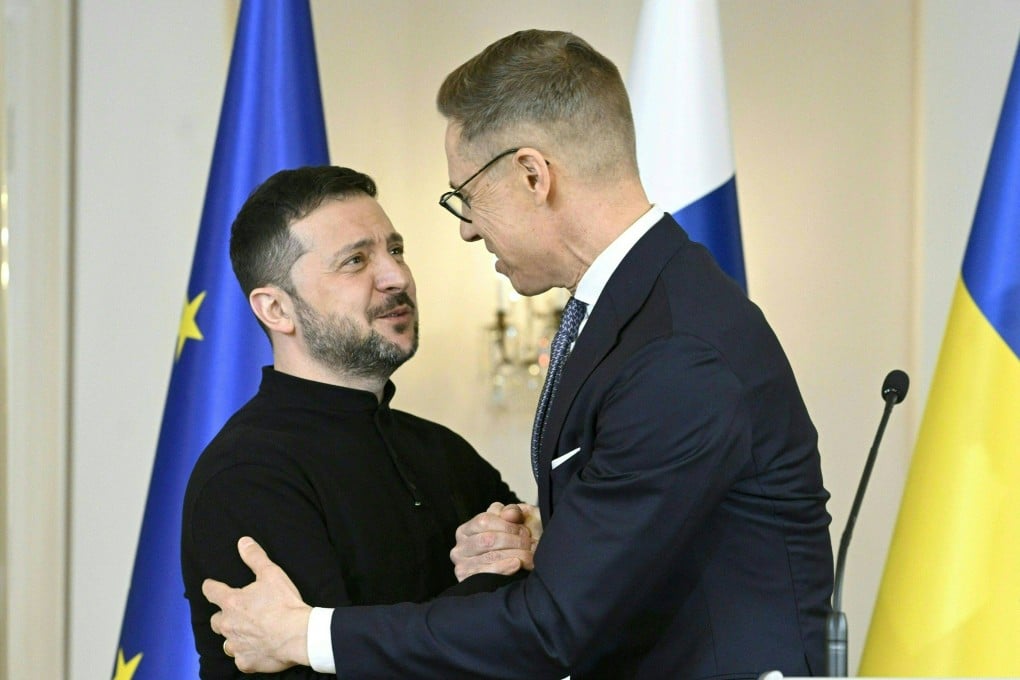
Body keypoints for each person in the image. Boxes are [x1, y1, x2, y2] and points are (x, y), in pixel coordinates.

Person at [203, 30, 834, 679]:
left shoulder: (674, 349)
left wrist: (305, 633)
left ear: (533, 174)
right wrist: (552, 539)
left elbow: (551, 628)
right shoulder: (649, 310)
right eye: (355, 260)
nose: (467, 227)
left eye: (466, 195)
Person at [181, 165, 523, 678]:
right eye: (356, 260)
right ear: (276, 308)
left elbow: (545, 622)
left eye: (396, 249)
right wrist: (493, 585)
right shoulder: (247, 476)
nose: (397, 276)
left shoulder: (443, 451)